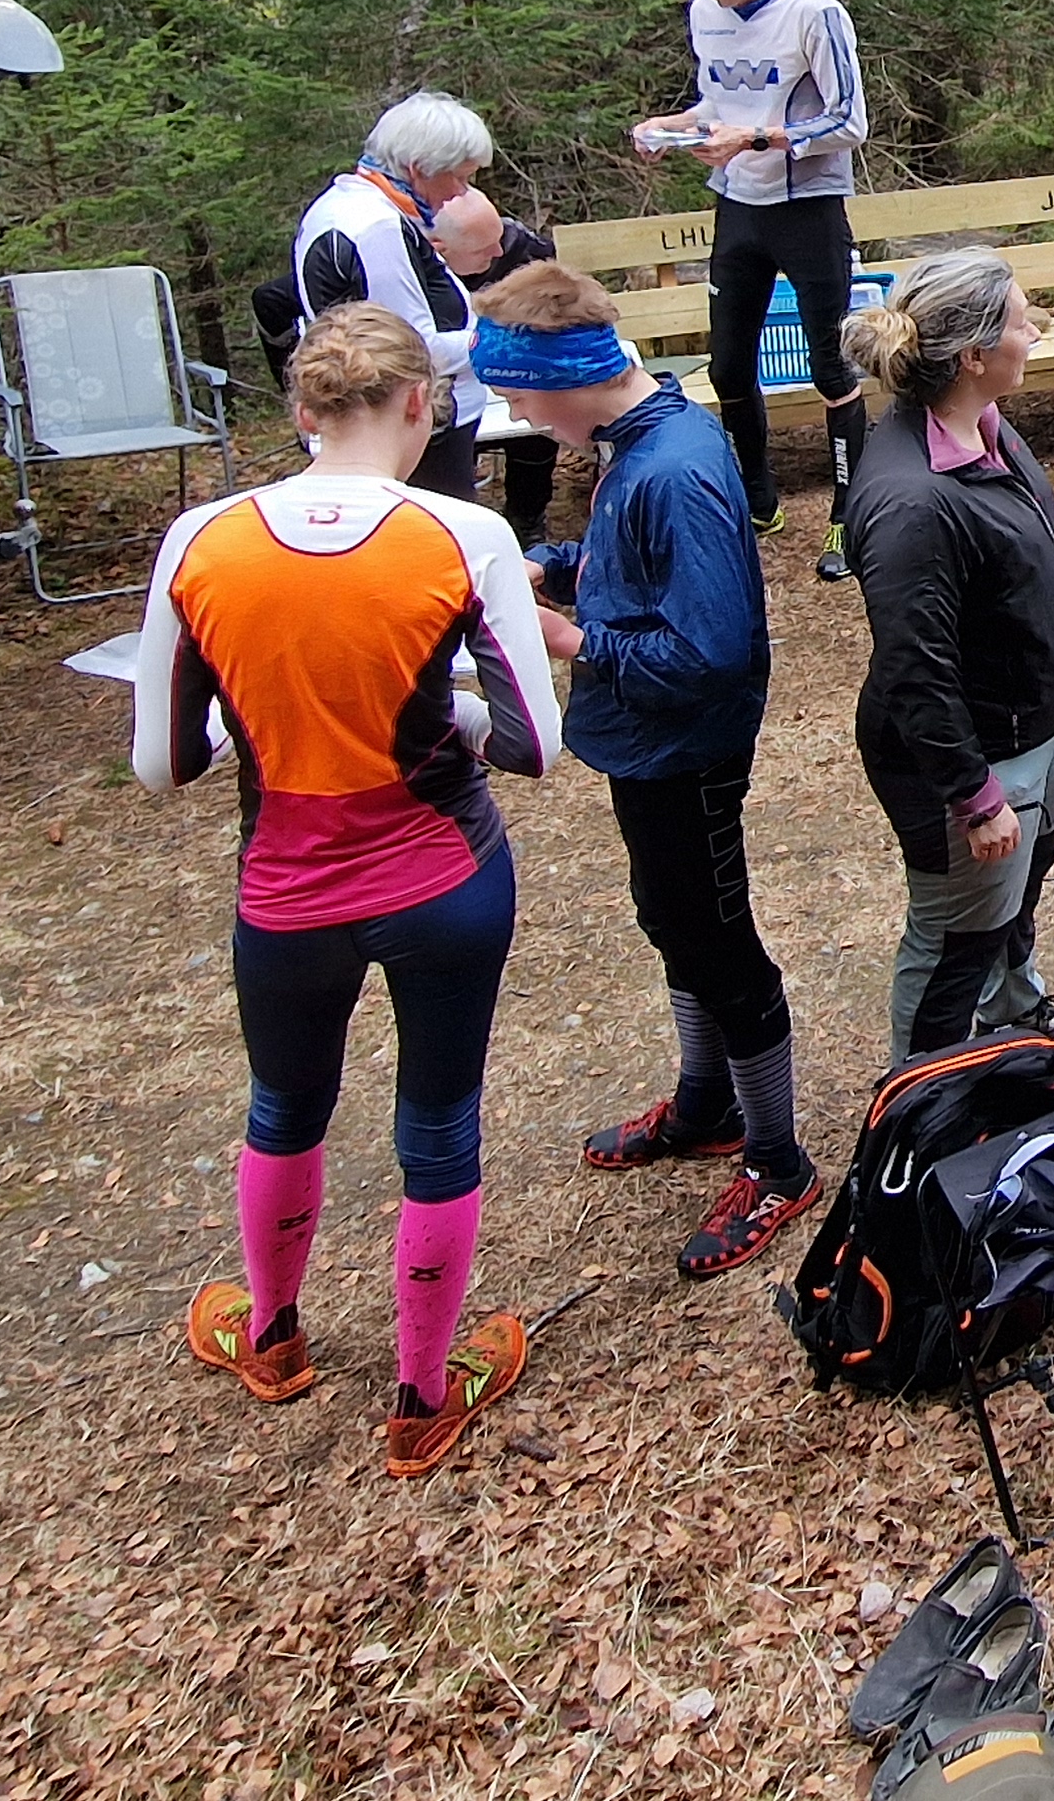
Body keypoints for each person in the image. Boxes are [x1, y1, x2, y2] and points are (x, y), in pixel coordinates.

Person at [133, 305, 559, 1476]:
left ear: (301, 413)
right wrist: (448, 715)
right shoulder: (463, 534)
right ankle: (422, 1395)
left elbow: (165, 763)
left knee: (285, 1105)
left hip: (286, 889)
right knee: (438, 1121)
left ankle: (270, 1337)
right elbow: (533, 746)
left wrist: (261, 722)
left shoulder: (200, 540)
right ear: (422, 405)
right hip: (444, 880)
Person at [473, 266, 818, 1276]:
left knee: (717, 940)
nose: (517, 418)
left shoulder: (671, 465)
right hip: (643, 744)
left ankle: (777, 1157)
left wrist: (570, 640)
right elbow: (644, 559)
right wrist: (564, 562)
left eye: (520, 399)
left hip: (688, 751)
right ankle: (707, 1105)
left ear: (563, 380)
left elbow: (708, 651)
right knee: (671, 919)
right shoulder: (637, 438)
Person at [842, 250, 1054, 1063]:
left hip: (1032, 731)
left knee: (1016, 895)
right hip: (976, 761)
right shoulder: (912, 501)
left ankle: (1014, 1009)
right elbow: (914, 668)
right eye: (1023, 321)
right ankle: (920, 1107)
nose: (1036, 331)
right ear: (971, 355)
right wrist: (974, 794)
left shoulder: (984, 426)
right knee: (956, 935)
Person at [629, 0, 870, 578]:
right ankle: (757, 502)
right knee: (731, 364)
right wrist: (671, 127)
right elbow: (717, 105)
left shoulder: (813, 12)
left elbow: (851, 122)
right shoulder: (705, 16)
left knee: (832, 367)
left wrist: (757, 138)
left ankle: (849, 518)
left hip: (808, 205)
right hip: (737, 205)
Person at [294, 92, 495, 504]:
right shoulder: (377, 228)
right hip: (412, 429)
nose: (460, 193)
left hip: (397, 421)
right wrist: (500, 343)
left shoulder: (342, 205)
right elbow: (412, 351)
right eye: (458, 177)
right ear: (418, 168)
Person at [432, 186, 565, 541]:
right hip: (444, 392)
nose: (498, 250)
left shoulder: (521, 248)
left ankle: (526, 520)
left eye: (498, 238)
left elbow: (558, 305)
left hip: (511, 375)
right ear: (437, 247)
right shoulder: (410, 272)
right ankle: (454, 532)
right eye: (483, 247)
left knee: (538, 428)